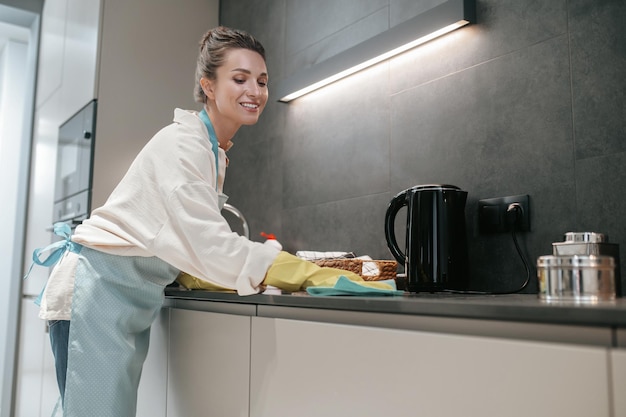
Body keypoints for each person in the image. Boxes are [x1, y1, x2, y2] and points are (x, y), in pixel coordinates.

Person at [29, 25, 397, 417]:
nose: (254, 91)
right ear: (208, 85)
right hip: (94, 295)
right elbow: (208, 242)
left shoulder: (211, 149)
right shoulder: (185, 146)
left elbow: (183, 241)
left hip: (112, 300)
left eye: (261, 80)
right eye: (239, 79)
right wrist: (302, 272)